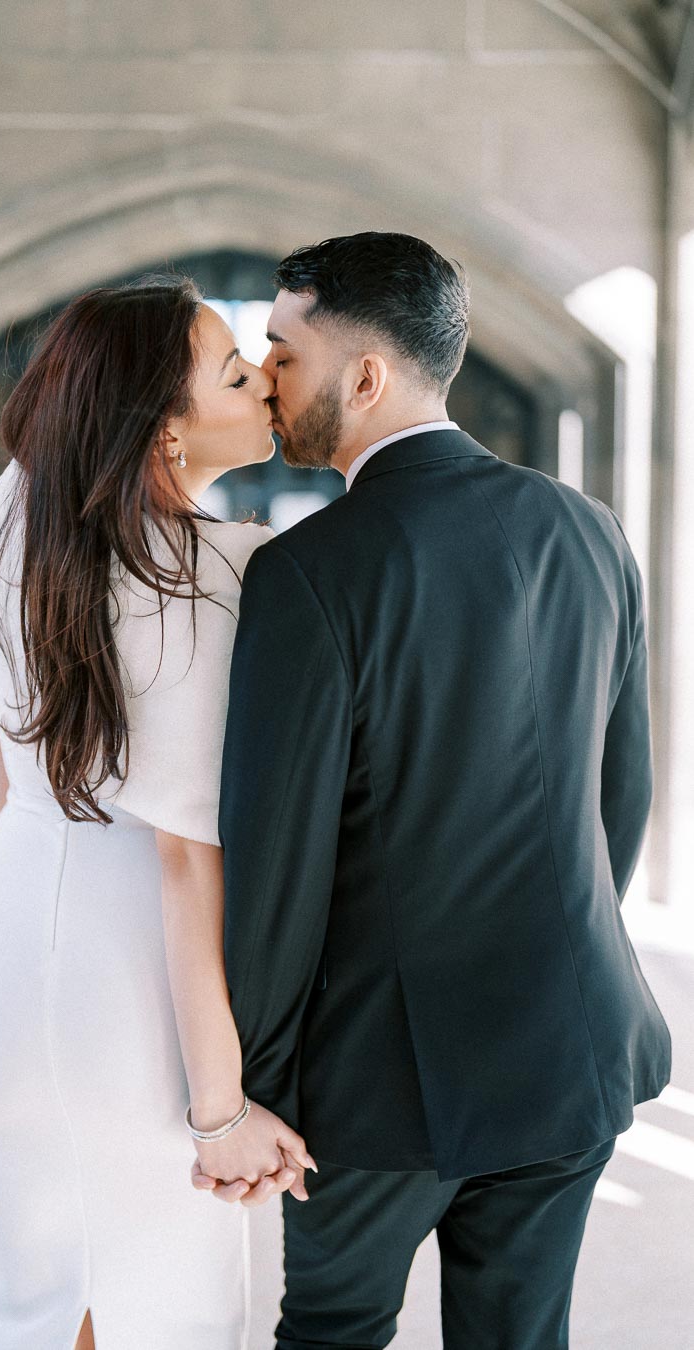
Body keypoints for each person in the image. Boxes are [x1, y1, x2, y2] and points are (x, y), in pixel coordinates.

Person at [213, 231, 673, 1349]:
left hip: (376, 1080)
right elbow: (618, 800)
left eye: (284, 352)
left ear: (366, 376)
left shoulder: (310, 570)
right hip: (570, 1043)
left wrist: (256, 1082)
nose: (267, 377)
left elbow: (277, 866)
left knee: (331, 1333)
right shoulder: (590, 531)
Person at [0, 278, 315, 1350]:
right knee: (157, 1300)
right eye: (234, 373)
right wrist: (220, 1112)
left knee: (46, 1291)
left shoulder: (19, 515)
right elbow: (188, 862)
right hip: (123, 978)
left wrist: (20, 918)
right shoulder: (220, 573)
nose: (266, 381)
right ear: (164, 434)